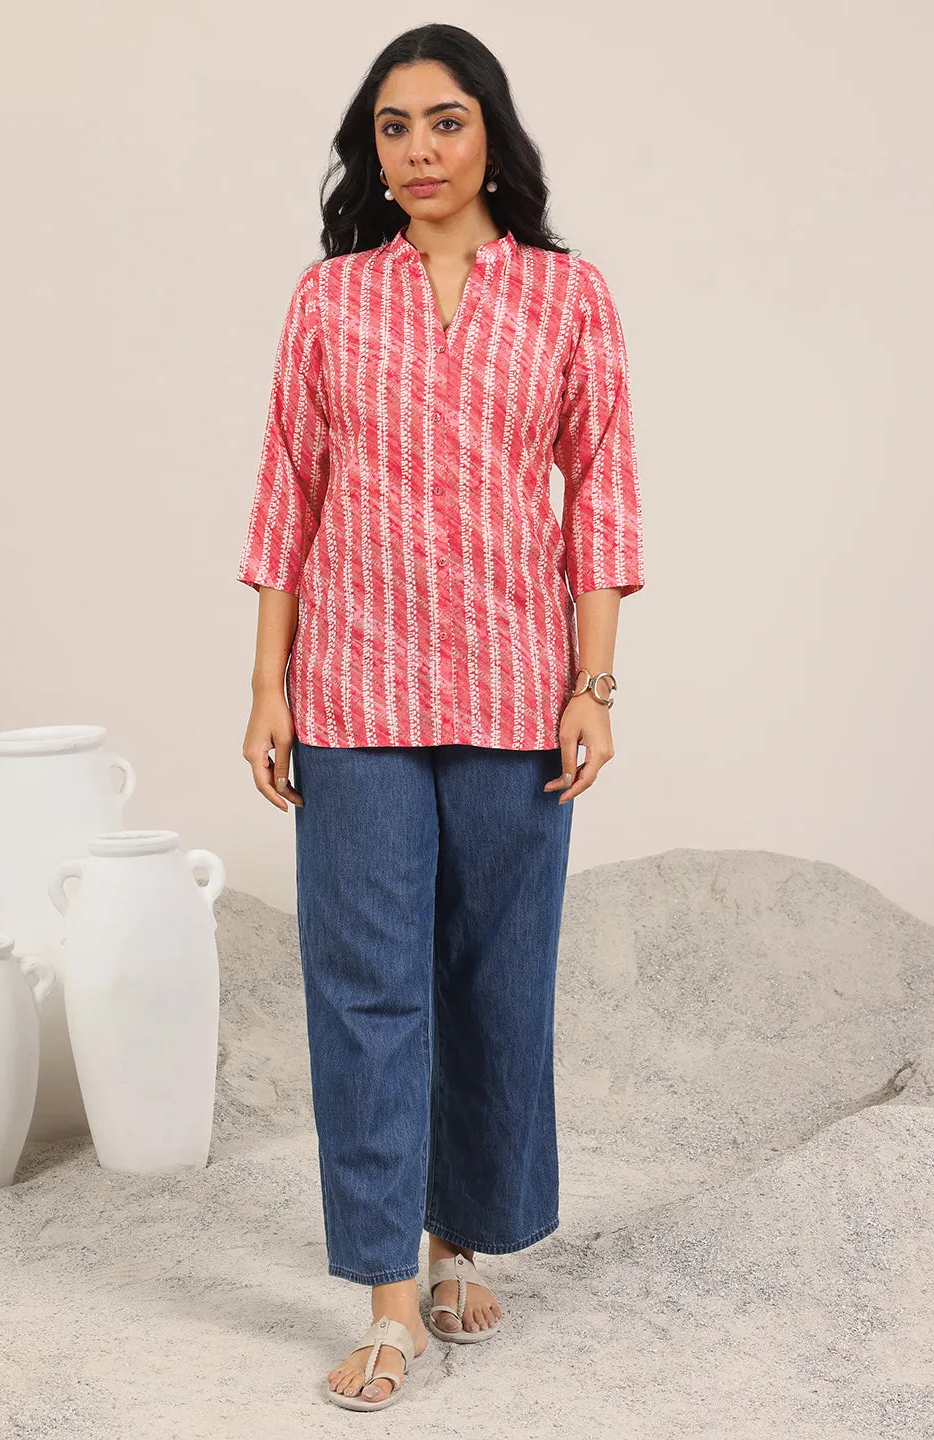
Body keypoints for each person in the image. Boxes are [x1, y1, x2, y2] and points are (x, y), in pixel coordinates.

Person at [238, 22, 644, 1413]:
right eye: (393, 127)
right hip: (353, 692)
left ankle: (458, 1238)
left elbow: (602, 498)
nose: (418, 150)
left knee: (492, 979)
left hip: (518, 689)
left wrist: (594, 685)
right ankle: (388, 1300)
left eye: (446, 121)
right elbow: (287, 495)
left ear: (492, 134)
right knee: (366, 989)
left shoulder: (569, 296)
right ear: (373, 149)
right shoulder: (330, 300)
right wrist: (267, 684)